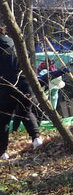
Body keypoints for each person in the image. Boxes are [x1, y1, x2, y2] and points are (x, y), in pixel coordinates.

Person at [1, 29, 43, 160]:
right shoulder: (14, 42)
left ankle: (2, 152)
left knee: (3, 119)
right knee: (26, 111)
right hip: (24, 83)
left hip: (5, 86)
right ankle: (36, 139)